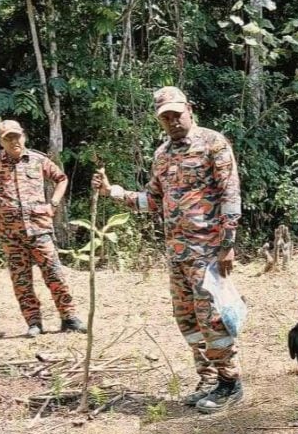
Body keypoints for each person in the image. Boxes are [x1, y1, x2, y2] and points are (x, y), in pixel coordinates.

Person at [92, 86, 243, 413]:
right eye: (166, 117)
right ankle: (207, 379)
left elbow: (230, 196)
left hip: (207, 250)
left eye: (177, 114)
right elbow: (154, 201)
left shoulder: (213, 143)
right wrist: (113, 192)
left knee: (211, 317)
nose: (173, 121)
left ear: (189, 108)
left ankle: (230, 383)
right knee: (186, 318)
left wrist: (227, 246)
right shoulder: (162, 155)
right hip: (176, 253)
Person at [0, 120, 86, 337]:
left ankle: (69, 317)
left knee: (55, 274)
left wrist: (53, 204)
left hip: (39, 229)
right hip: (11, 234)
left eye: (16, 136)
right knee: (21, 280)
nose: (13, 141)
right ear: (1, 141)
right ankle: (34, 322)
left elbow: (61, 179)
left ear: (24, 136)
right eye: (8, 138)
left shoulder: (38, 160)